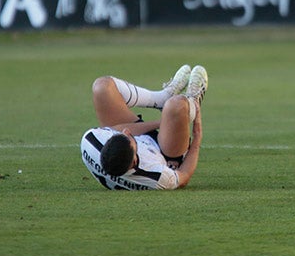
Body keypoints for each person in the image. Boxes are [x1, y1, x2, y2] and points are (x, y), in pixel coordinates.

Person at [80, 64, 208, 190]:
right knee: (176, 105)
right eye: (131, 139)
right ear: (135, 162)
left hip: (138, 140)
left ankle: (162, 98)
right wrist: (197, 138)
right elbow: (183, 176)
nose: (126, 131)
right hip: (165, 153)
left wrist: (162, 123)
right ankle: (193, 100)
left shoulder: (90, 141)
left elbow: (118, 128)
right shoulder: (155, 177)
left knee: (102, 87)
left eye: (122, 135)